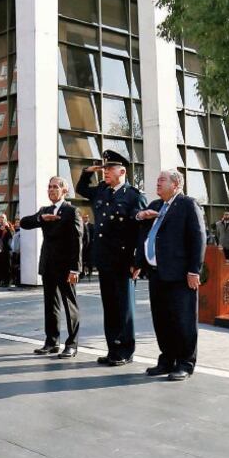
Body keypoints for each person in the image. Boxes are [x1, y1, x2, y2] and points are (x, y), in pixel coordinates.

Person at [75, 149, 147, 366]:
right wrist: (88, 171)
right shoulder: (102, 191)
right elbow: (81, 189)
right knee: (109, 306)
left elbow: (141, 231)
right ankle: (113, 348)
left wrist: (138, 261)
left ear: (122, 171)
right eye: (104, 169)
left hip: (124, 260)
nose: (104, 172)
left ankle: (126, 350)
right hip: (104, 259)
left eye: (109, 169)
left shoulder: (134, 196)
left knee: (124, 308)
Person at [133, 170, 205, 382]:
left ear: (176, 185)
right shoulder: (155, 206)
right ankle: (167, 360)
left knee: (183, 320)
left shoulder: (187, 205)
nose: (157, 183)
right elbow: (143, 233)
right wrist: (140, 216)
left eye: (162, 180)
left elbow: (198, 238)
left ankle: (185, 363)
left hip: (180, 275)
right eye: (157, 180)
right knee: (161, 320)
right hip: (156, 274)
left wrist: (194, 270)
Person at [20, 177, 83, 358]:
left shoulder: (72, 211)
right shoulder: (44, 211)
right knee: (51, 306)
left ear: (65, 190)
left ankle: (72, 344)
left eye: (55, 187)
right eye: (49, 187)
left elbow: (77, 241)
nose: (51, 190)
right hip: (48, 265)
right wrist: (41, 218)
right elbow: (24, 223)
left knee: (69, 305)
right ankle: (51, 341)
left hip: (66, 267)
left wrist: (75, 269)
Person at [81, 213, 95, 279]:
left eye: (86, 217)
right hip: (83, 244)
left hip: (90, 245)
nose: (85, 219)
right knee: (82, 258)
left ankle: (90, 270)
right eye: (84, 217)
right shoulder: (81, 225)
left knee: (89, 259)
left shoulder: (91, 226)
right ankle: (82, 272)